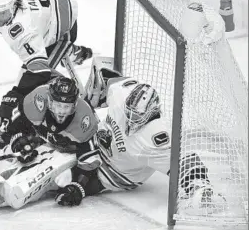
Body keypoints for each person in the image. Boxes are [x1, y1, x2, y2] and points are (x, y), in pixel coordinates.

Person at [54, 56, 225, 210]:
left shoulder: (156, 137)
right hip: (98, 142)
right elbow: (104, 73)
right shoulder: (123, 92)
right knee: (60, 132)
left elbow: (184, 162)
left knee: (65, 181)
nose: (130, 122)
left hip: (116, 174)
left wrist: (200, 187)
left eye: (137, 118)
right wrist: (93, 96)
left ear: (150, 114)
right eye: (130, 115)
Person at [0, 76, 101, 209]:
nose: (61, 111)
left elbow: (88, 161)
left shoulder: (84, 121)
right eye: (57, 105)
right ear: (49, 101)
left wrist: (78, 186)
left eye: (66, 107)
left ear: (75, 105)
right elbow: (12, 129)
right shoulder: (37, 101)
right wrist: (17, 142)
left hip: (44, 131)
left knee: (40, 158)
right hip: (18, 104)